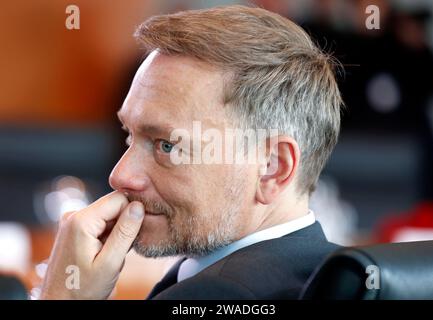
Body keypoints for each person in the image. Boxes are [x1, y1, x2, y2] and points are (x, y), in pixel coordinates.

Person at [40, 5, 343, 300]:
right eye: (129, 136)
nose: (120, 175)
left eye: (167, 146)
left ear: (272, 167)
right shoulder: (337, 275)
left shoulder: (215, 295)